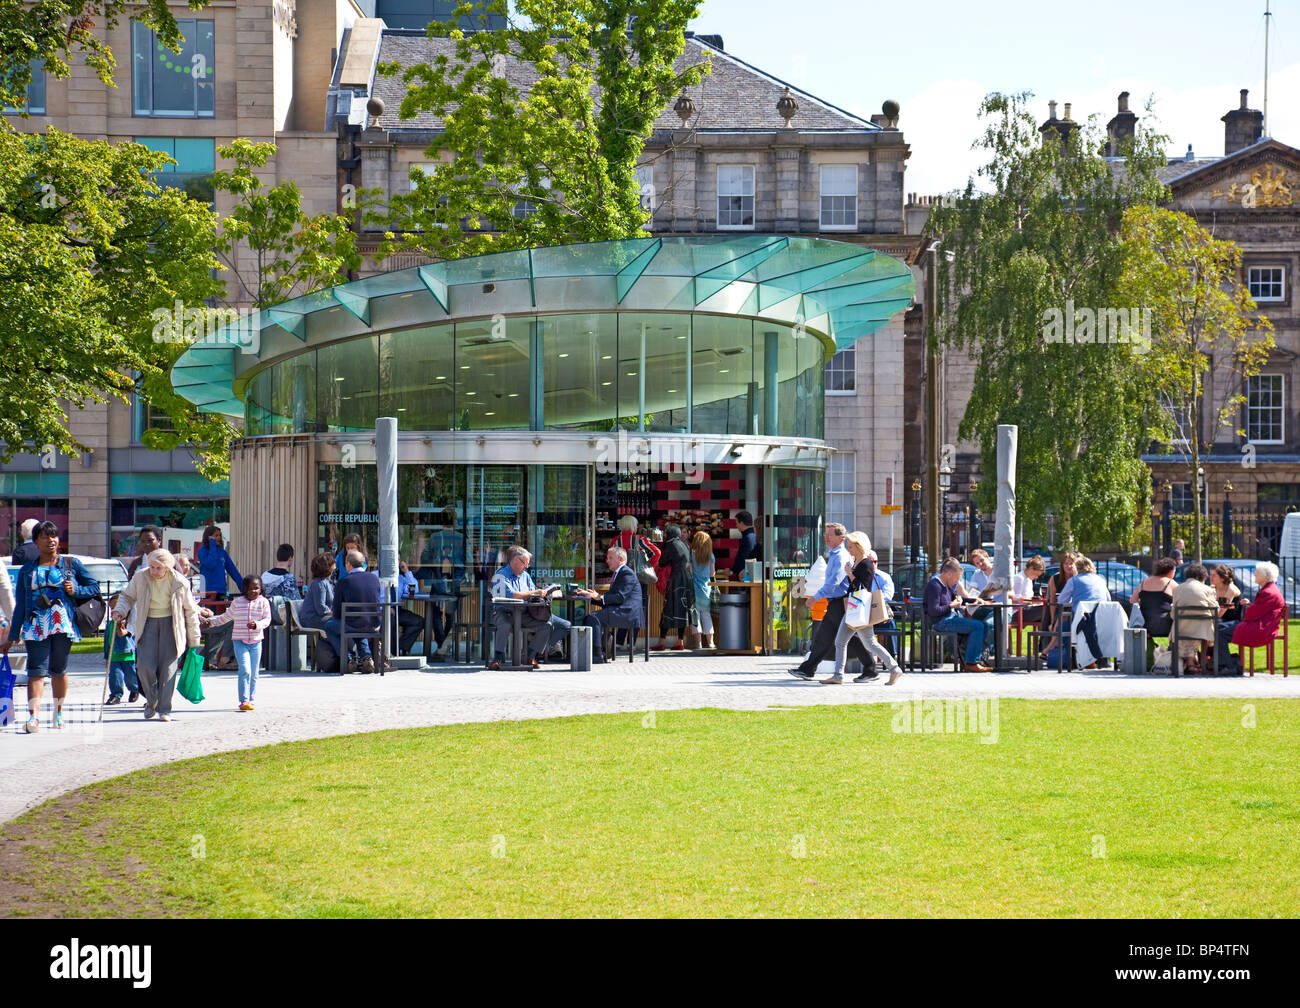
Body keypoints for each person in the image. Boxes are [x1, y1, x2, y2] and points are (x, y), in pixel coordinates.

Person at [1, 522, 101, 731]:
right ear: (36, 541)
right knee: (36, 670)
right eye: (45, 537)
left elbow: (94, 587)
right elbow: (20, 604)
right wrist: (12, 635)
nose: (51, 540)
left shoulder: (70, 564)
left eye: (54, 536)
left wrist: (76, 590)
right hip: (35, 624)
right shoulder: (28, 569)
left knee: (59, 670)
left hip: (62, 624)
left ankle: (58, 712)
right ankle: (33, 716)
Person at [111, 549, 200, 722]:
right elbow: (127, 596)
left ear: (167, 567)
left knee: (168, 669)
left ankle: (165, 709)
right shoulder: (141, 577)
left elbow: (190, 611)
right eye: (151, 567)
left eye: (158, 568)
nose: (153, 571)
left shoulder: (179, 581)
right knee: (144, 665)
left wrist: (194, 638)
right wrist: (119, 611)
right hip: (147, 623)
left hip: (171, 625)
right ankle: (152, 701)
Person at [822, 532, 904, 686]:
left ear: (859, 547)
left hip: (859, 607)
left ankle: (839, 676)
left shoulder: (865, 564)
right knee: (862, 642)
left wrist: (850, 574)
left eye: (851, 546)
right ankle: (894, 668)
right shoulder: (857, 562)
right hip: (855, 607)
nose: (849, 549)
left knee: (849, 642)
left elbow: (862, 587)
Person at [487, 546, 571, 670]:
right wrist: (535, 592)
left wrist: (547, 593)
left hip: (523, 612)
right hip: (503, 612)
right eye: (525, 563)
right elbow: (511, 595)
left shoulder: (525, 576)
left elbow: (533, 593)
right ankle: (497, 659)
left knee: (546, 625)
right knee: (504, 625)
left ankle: (529, 656)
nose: (527, 567)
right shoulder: (500, 575)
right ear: (516, 560)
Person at [790, 523, 850, 679]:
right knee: (825, 637)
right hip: (836, 602)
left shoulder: (840, 556)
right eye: (826, 534)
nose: (826, 538)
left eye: (830, 535)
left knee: (854, 638)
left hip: (839, 602)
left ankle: (872, 667)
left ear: (841, 538)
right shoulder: (834, 555)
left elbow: (833, 583)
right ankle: (808, 669)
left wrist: (815, 598)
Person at [204, 575, 272, 710]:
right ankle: (243, 700)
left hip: (256, 642)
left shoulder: (263, 602)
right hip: (240, 641)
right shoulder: (237, 602)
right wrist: (210, 623)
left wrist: (257, 625)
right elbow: (225, 618)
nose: (253, 591)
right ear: (244, 589)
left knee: (254, 672)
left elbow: (267, 620)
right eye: (250, 588)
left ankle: (251, 700)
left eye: (256, 588)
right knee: (245, 670)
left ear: (261, 589)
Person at [1216, 562, 1286, 676]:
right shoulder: (1269, 590)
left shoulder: (1268, 592)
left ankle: (1229, 666)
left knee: (1219, 633)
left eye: (1257, 573)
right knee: (1217, 628)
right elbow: (1260, 609)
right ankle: (1223, 663)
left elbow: (1251, 614)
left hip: (1261, 629)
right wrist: (1250, 605)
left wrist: (1249, 608)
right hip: (1260, 625)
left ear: (1266, 577)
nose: (1254, 575)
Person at [577, 546, 644, 664]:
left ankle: (597, 655)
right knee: (590, 618)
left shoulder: (627, 573)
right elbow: (611, 599)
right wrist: (590, 597)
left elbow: (619, 597)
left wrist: (599, 597)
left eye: (610, 558)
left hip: (627, 613)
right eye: (607, 558)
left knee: (593, 618)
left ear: (621, 559)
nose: (607, 560)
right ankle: (594, 652)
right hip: (620, 609)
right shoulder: (619, 573)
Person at [924, 557, 992, 672]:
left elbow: (960, 598)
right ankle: (971, 662)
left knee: (982, 625)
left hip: (950, 618)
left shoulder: (946, 585)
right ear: (949, 574)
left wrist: (976, 600)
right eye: (957, 578)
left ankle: (971, 659)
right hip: (941, 622)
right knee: (978, 626)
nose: (957, 581)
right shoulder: (935, 586)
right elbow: (933, 611)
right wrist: (951, 606)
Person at [1047, 555, 1111, 669]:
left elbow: (1061, 600)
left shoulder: (1074, 580)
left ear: (1077, 568)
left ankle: (1072, 660)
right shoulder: (1100, 580)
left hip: (1083, 620)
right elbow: (1108, 599)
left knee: (1064, 627)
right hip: (1102, 619)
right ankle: (1102, 660)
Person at [328, 550, 383, 674]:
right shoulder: (374, 579)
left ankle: (348, 659)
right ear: (363, 563)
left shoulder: (344, 582)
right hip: (373, 625)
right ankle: (366, 657)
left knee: (330, 626)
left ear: (348, 564)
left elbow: (336, 613)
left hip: (353, 625)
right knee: (359, 625)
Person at [653, 524, 696, 651]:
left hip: (676, 580)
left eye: (666, 533)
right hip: (688, 580)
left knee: (668, 609)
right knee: (682, 610)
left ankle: (661, 642)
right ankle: (680, 641)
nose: (665, 535)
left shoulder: (671, 544)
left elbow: (662, 562)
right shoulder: (685, 545)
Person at [1170, 563, 1217, 675]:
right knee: (1200, 626)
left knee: (1181, 625)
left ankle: (1190, 663)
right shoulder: (1208, 590)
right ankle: (1197, 663)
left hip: (1182, 628)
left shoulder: (1178, 589)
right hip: (1203, 629)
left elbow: (1173, 613)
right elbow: (1215, 610)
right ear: (1202, 577)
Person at [1131, 558, 1176, 666]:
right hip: (1166, 626)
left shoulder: (1144, 582)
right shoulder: (1170, 583)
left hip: (1145, 625)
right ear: (1170, 571)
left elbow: (1132, 600)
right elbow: (1181, 600)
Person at [102, 595, 140, 706]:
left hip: (127, 654)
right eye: (112, 609)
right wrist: (107, 656)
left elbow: (128, 634)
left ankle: (135, 689)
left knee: (131, 676)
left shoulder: (128, 623)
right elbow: (107, 641)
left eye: (116, 608)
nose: (114, 612)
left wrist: (121, 626)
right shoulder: (110, 624)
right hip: (114, 655)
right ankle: (116, 694)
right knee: (115, 676)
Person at [197, 526, 243, 597]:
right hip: (207, 591)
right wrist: (212, 543)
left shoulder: (222, 552)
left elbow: (233, 570)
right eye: (216, 536)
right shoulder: (202, 550)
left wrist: (243, 588)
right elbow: (211, 564)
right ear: (208, 537)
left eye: (220, 535)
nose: (219, 538)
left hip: (221, 590)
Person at [690, 531, 716, 649]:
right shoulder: (710, 555)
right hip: (706, 588)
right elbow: (712, 573)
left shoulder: (692, 554)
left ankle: (698, 643)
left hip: (694, 587)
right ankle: (710, 643)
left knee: (695, 616)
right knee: (706, 615)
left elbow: (689, 571)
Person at [394, 560, 425, 656]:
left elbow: (414, 591)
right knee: (390, 623)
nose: (396, 562)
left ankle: (401, 648)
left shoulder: (401, 578)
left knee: (418, 621)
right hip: (380, 610)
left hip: (396, 610)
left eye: (398, 560)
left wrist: (406, 572)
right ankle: (392, 649)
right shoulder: (375, 575)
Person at [300, 553, 335, 632]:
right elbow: (321, 608)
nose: (335, 561)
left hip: (320, 617)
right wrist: (334, 613)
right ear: (327, 566)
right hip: (311, 619)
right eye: (333, 561)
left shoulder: (327, 582)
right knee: (341, 622)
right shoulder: (320, 583)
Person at [729, 510, 759, 580]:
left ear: (741, 523)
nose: (736, 526)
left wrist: (733, 570)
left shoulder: (748, 538)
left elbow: (744, 557)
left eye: (737, 523)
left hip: (745, 575)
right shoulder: (753, 535)